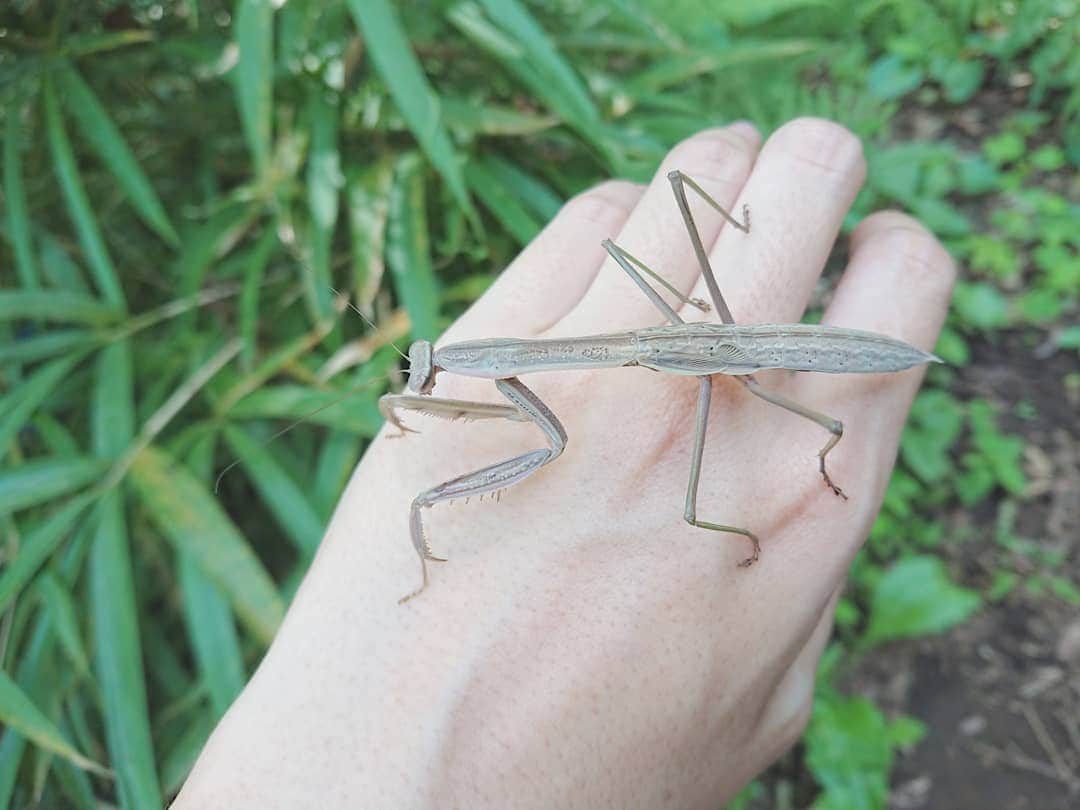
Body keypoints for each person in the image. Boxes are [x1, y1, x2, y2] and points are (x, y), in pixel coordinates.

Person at [172, 118, 955, 808]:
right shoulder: (511, 365)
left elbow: (550, 445)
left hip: (748, 354)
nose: (421, 378)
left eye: (428, 369)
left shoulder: (525, 388)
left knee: (704, 498)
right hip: (700, 346)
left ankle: (821, 448)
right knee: (659, 246)